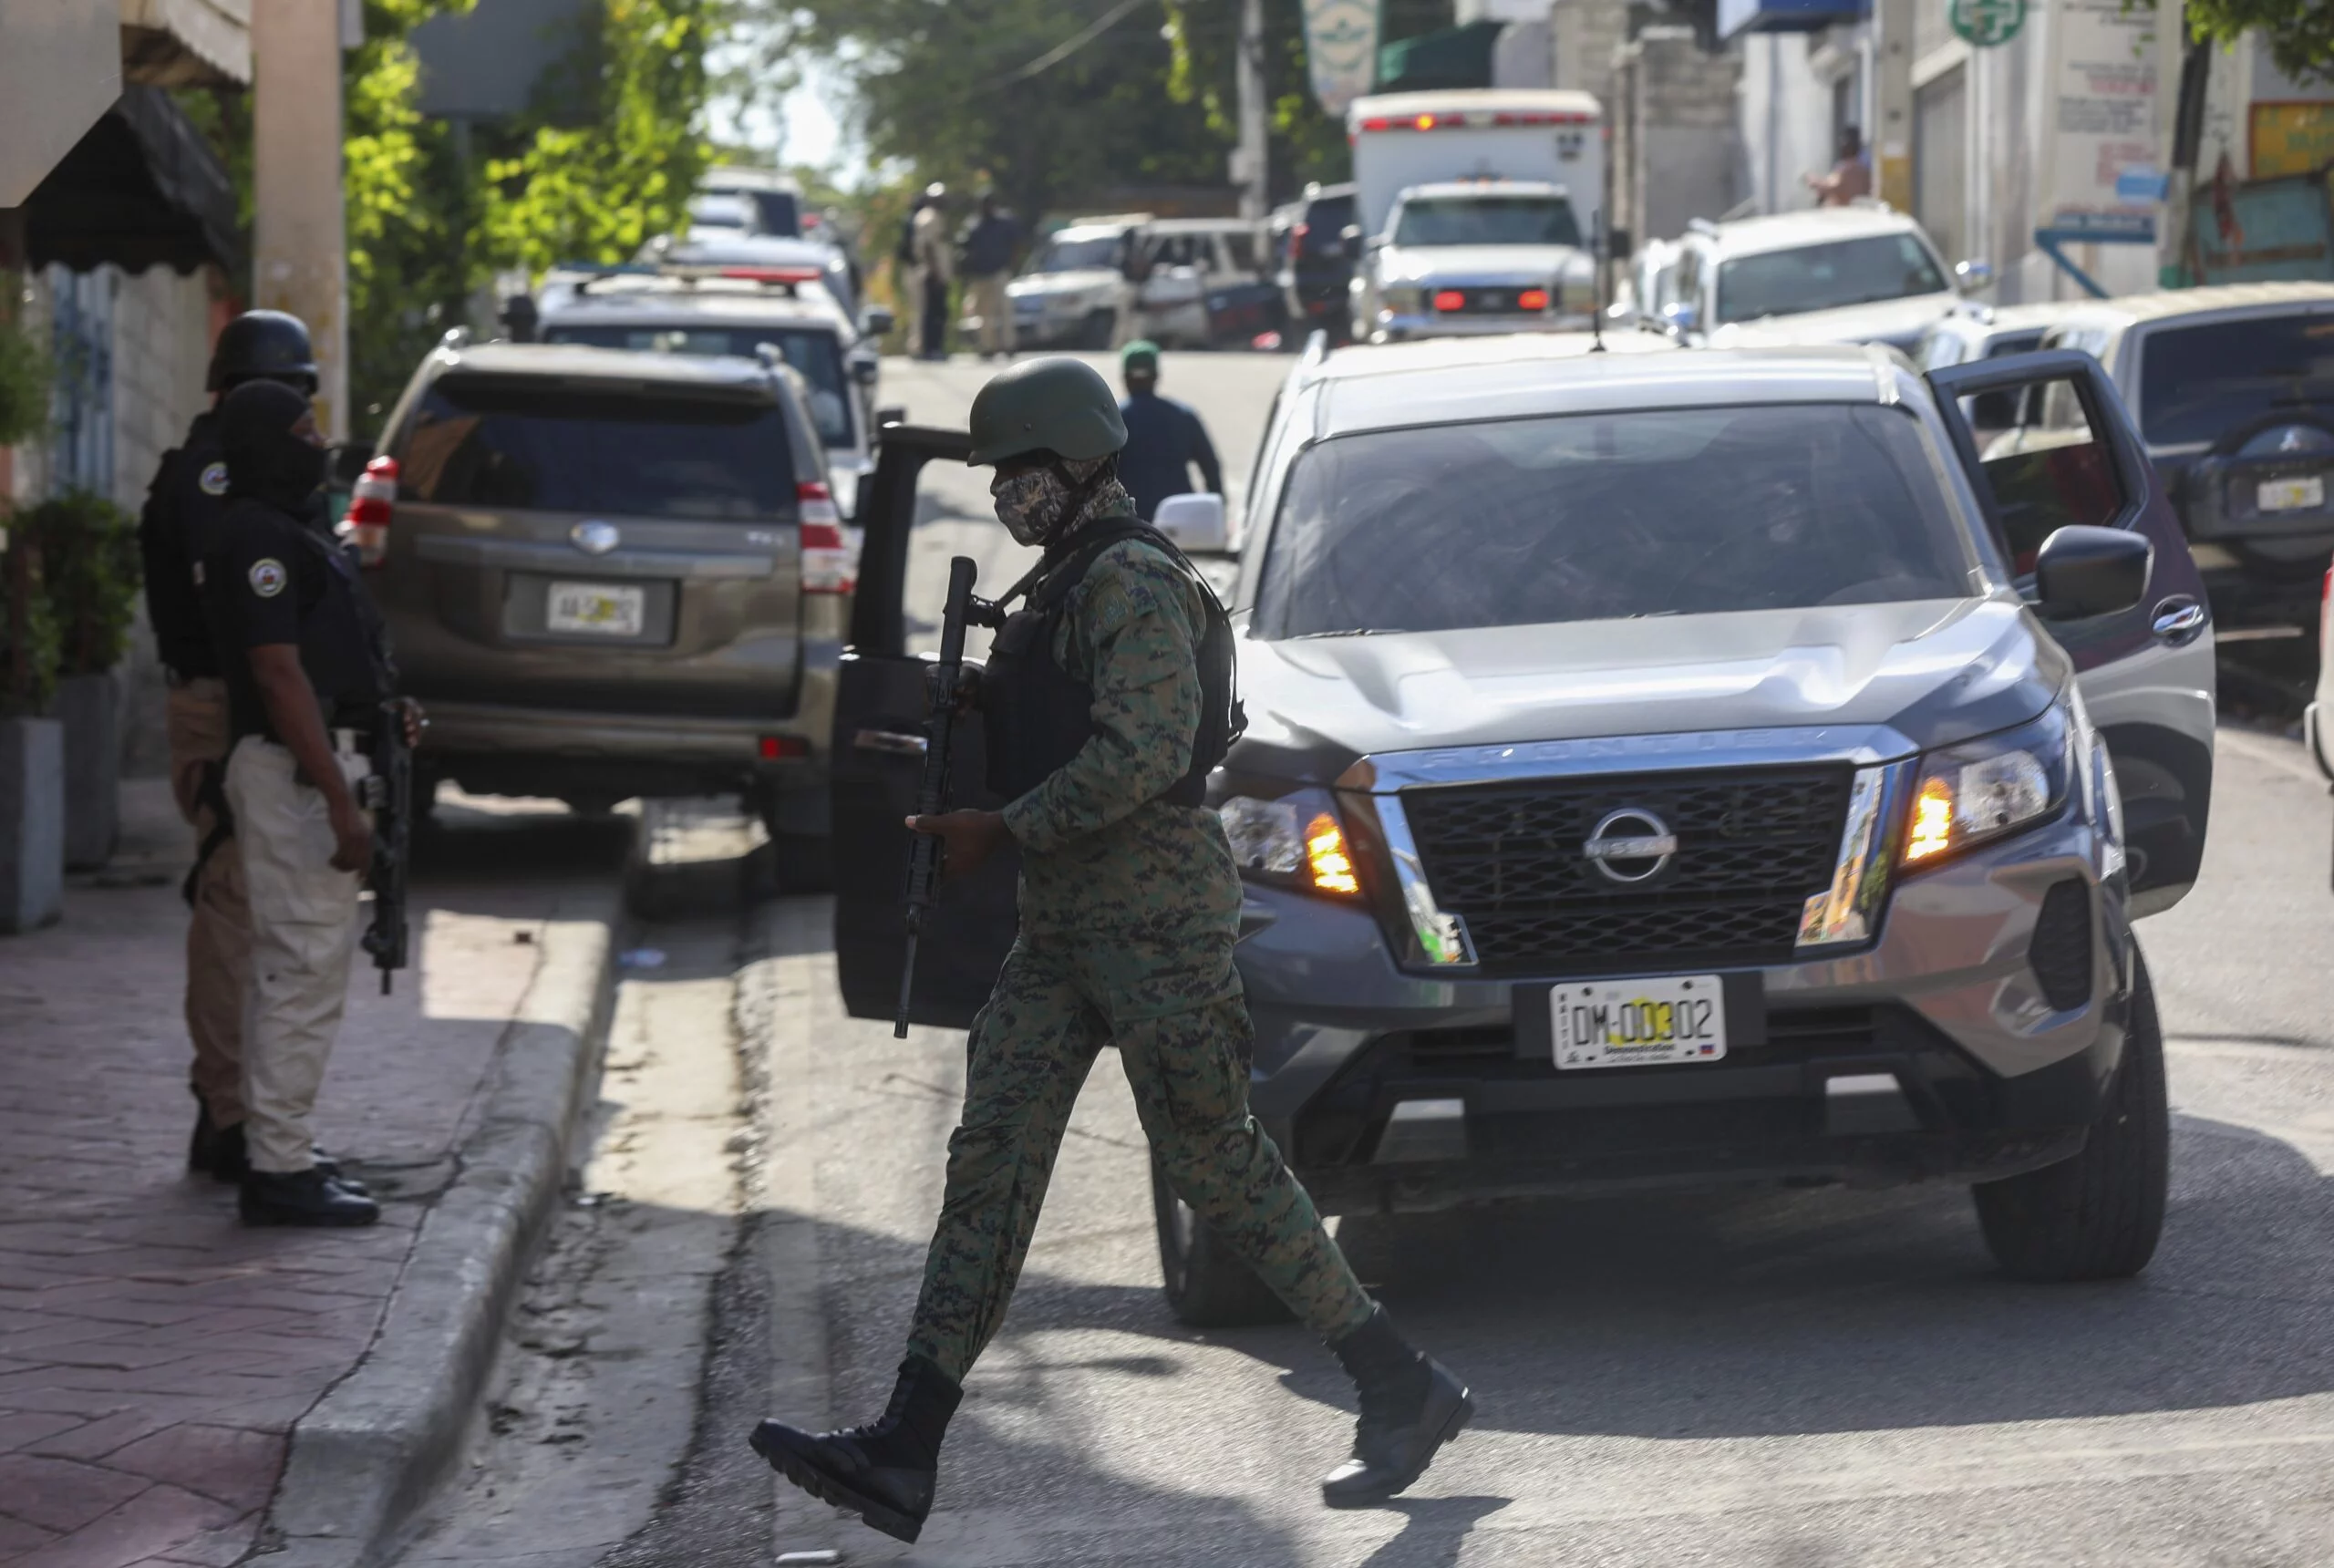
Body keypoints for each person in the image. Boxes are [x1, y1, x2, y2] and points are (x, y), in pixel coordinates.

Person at [748, 357, 1469, 1543]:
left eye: (1019, 474)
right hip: (1064, 926)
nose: (1003, 497)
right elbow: (1077, 717)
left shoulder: (1130, 580)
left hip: (1154, 918)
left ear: (1078, 466)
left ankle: (1400, 1383)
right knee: (992, 1160)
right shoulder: (1066, 583)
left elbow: (1145, 750)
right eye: (999, 478)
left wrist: (1004, 825)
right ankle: (907, 1447)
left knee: (1216, 1161)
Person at [200, 379, 415, 1227]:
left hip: (317, 766)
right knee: (301, 968)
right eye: (301, 430)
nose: (318, 441)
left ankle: (279, 1144)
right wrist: (338, 800)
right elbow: (277, 673)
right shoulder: (254, 536)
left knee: (294, 967)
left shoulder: (291, 531)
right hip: (295, 778)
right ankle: (278, 1169)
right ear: (262, 443)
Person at [139, 310, 322, 1183]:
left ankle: (236, 1108)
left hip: (243, 700)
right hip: (221, 702)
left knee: (248, 908)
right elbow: (242, 603)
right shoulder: (214, 473)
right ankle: (226, 1114)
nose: (305, 428)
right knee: (232, 907)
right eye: (295, 402)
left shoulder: (230, 467)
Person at [1114, 340, 1223, 522]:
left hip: (1129, 526)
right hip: (1181, 523)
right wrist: (1217, 515)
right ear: (1156, 376)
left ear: (1125, 377)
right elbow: (1210, 467)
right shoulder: (1184, 416)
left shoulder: (1114, 421)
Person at [957, 192, 1022, 359]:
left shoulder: (1004, 222)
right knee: (983, 313)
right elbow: (963, 247)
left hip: (999, 271)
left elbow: (1016, 244)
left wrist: (1011, 265)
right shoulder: (973, 224)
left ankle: (1009, 345)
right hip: (979, 275)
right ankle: (988, 347)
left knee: (1004, 309)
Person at [911, 181, 954, 360]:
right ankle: (931, 349)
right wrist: (935, 272)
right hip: (932, 273)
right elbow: (927, 246)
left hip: (936, 272)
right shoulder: (928, 216)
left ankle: (934, 347)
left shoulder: (935, 216)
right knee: (933, 313)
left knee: (938, 312)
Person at [1807, 125, 1872, 207]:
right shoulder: (1864, 168)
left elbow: (1831, 187)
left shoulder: (1847, 169)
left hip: (1842, 213)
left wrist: (1814, 181)